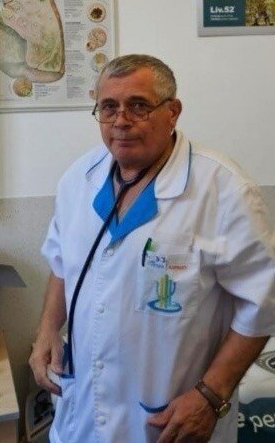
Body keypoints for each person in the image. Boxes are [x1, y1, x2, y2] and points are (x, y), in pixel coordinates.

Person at [29, 54, 274, 443]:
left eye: (139, 106)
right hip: (81, 419)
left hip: (168, 422)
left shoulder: (223, 189)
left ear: (172, 112)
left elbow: (263, 304)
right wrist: (45, 331)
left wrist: (211, 395)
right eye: (109, 107)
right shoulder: (79, 179)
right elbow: (62, 264)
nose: (121, 120)